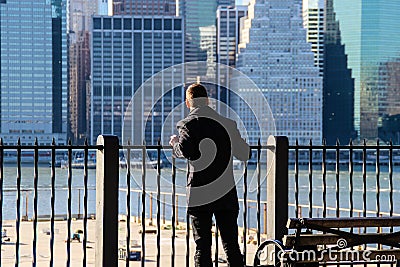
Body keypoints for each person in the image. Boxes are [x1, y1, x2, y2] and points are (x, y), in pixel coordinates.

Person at [169, 83, 250, 267]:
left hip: (200, 193)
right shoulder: (228, 124)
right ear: (207, 101)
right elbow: (244, 154)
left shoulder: (188, 124)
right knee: (231, 245)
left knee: (202, 247)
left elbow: (185, 150)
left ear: (188, 103)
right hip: (225, 192)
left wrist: (174, 143)